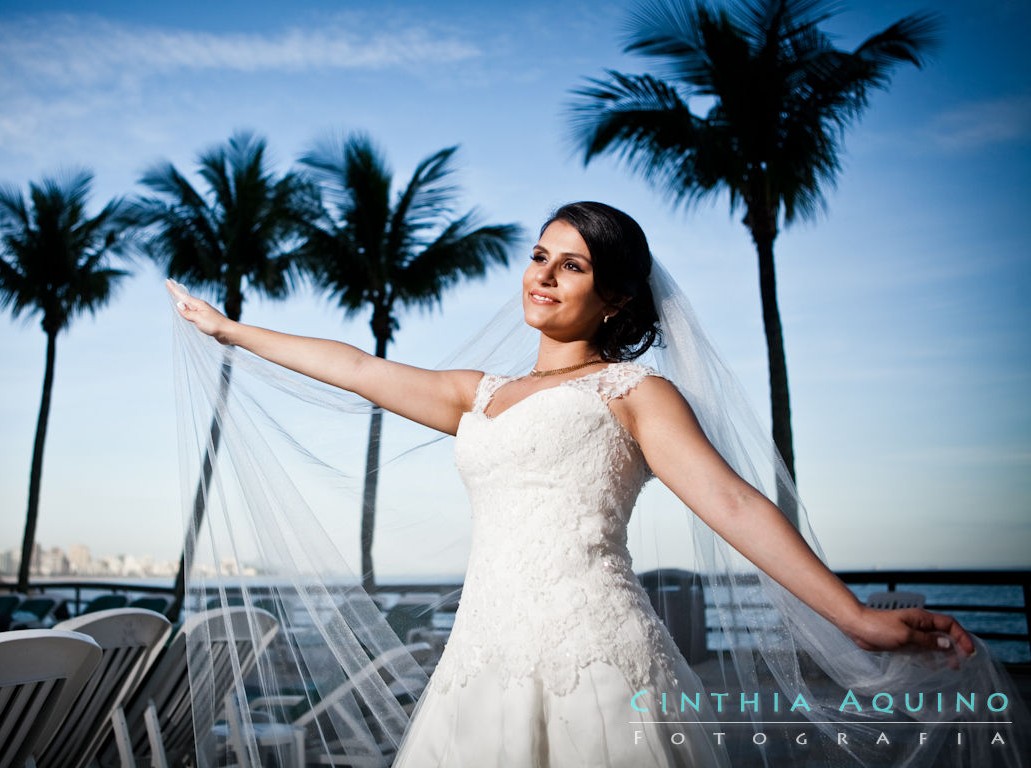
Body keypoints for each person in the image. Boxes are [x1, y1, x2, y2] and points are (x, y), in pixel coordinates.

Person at [168, 201, 1027, 768]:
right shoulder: (480, 393)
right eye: (540, 256)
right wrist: (230, 329)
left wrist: (856, 618)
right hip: (480, 659)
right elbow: (355, 366)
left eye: (570, 266)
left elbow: (731, 503)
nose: (541, 275)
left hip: (596, 662)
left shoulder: (635, 393)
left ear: (613, 297)